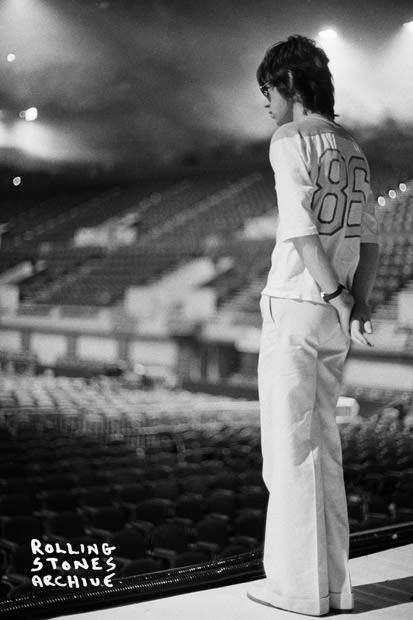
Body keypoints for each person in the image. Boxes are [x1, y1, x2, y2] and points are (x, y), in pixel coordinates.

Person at [247, 35, 379, 616]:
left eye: (266, 90)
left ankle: (297, 590)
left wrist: (329, 289)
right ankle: (332, 589)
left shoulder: (288, 139)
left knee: (288, 453)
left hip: (300, 303)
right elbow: (370, 240)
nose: (265, 104)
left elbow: (300, 229)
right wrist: (356, 302)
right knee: (323, 451)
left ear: (290, 85)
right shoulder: (353, 148)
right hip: (333, 314)